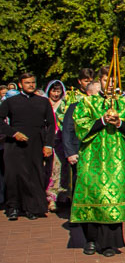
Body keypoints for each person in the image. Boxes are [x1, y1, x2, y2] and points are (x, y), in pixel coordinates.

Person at [69, 89, 125, 256]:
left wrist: (119, 123)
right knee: (91, 196)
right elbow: (80, 126)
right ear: (100, 82)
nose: (109, 85)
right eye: (105, 80)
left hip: (115, 159)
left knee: (112, 198)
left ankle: (109, 243)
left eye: (112, 82)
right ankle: (91, 240)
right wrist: (101, 120)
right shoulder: (88, 102)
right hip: (91, 158)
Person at [0, 73, 54, 220]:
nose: (30, 85)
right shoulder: (11, 101)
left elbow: (50, 124)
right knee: (13, 176)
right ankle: (13, 207)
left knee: (33, 176)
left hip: (36, 143)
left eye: (32, 82)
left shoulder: (43, 102)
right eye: (27, 82)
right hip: (15, 145)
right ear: (20, 84)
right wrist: (13, 133)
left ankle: (32, 208)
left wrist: (48, 144)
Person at [44, 80, 68, 212]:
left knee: (60, 168)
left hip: (61, 140)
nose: (56, 94)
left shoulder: (64, 104)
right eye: (53, 91)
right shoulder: (44, 103)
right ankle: (49, 197)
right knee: (49, 169)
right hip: (47, 140)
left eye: (58, 91)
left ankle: (61, 196)